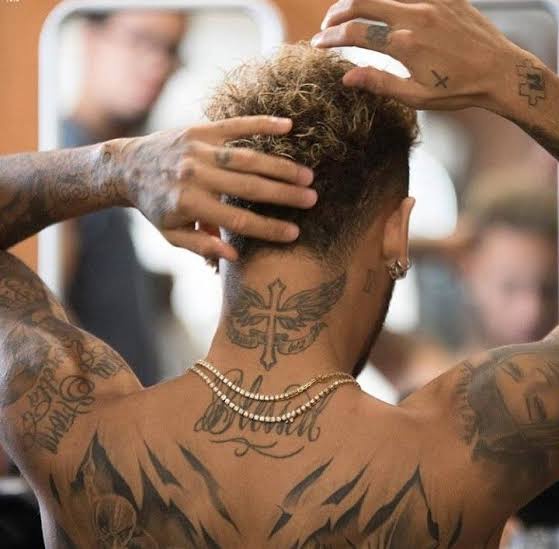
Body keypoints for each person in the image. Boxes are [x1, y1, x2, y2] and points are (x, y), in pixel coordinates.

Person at [0, 1, 557, 547]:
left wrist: (113, 167)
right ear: (399, 231)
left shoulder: (78, 426)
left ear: (210, 219)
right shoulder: (467, 443)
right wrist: (513, 79)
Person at [61, 10, 188, 386]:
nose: (158, 64)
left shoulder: (119, 170)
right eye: (142, 40)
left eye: (171, 49)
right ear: (90, 39)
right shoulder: (61, 154)